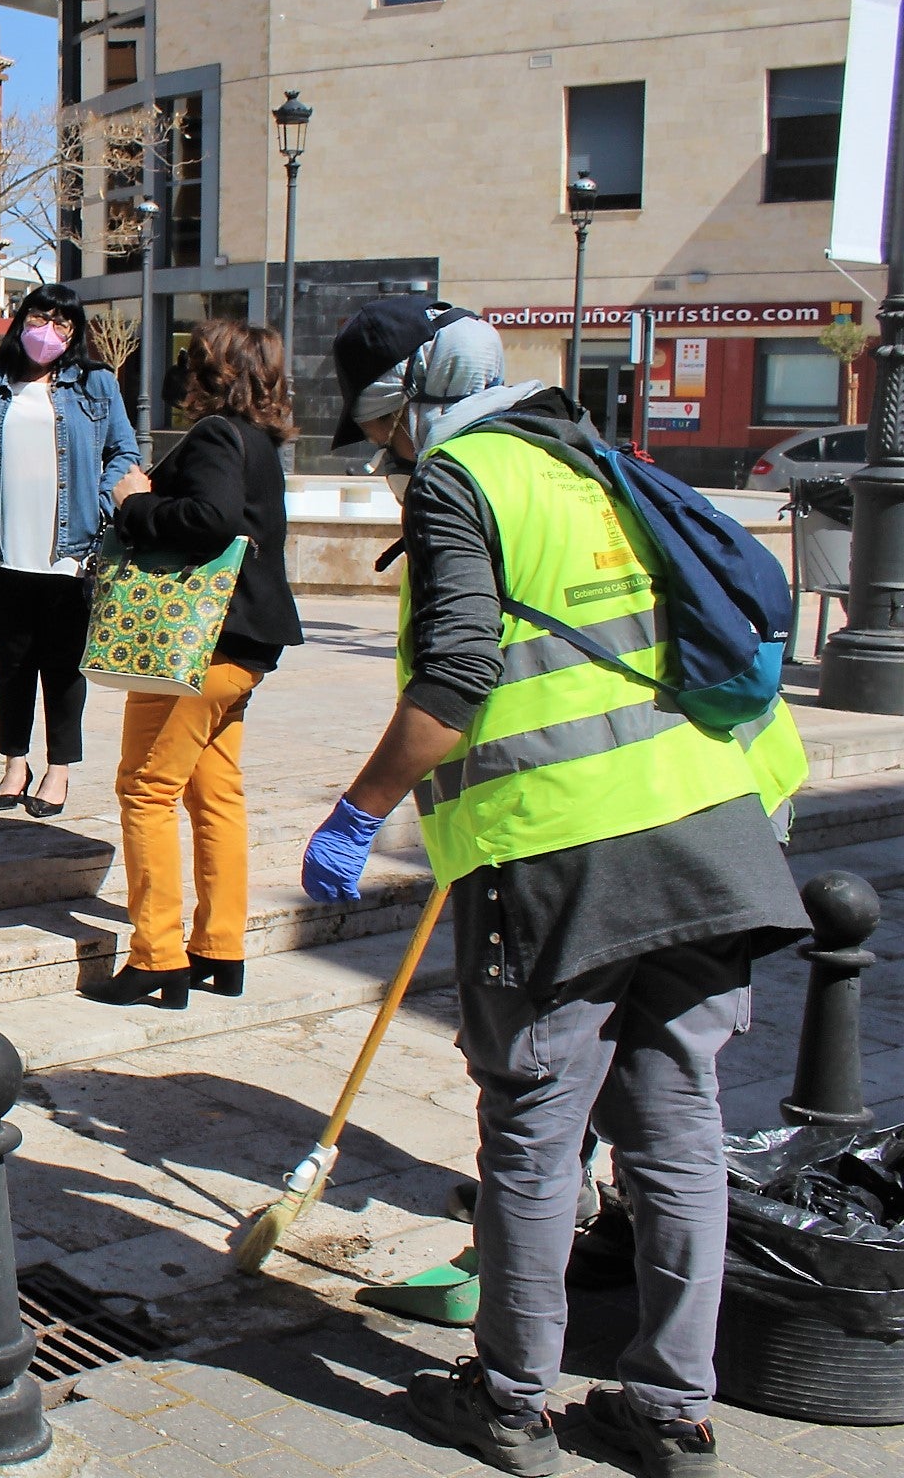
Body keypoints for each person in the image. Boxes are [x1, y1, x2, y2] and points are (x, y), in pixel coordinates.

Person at [301, 302, 809, 1478]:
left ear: (408, 403)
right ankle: (672, 1414)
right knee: (677, 1129)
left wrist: (358, 812)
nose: (384, 457)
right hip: (709, 828)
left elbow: (457, 677)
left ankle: (511, 1402)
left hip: (562, 858)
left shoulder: (459, 477)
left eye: (378, 433)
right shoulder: (586, 453)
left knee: (534, 1127)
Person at [87, 317, 303, 1009]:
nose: (181, 372)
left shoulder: (215, 435)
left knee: (146, 789)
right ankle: (220, 947)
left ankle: (157, 957)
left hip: (194, 645)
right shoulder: (259, 442)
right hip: (243, 649)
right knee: (215, 793)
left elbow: (211, 518)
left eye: (192, 360)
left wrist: (136, 504)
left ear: (214, 373)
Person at [0, 283, 139, 817]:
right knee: (11, 661)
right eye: (41, 317)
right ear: (21, 320)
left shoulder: (95, 384)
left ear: (75, 332)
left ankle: (58, 769)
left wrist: (100, 503)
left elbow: (124, 452)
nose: (50, 331)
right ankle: (15, 764)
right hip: (0, 548)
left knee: (63, 665)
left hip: (70, 551)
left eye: (63, 323)